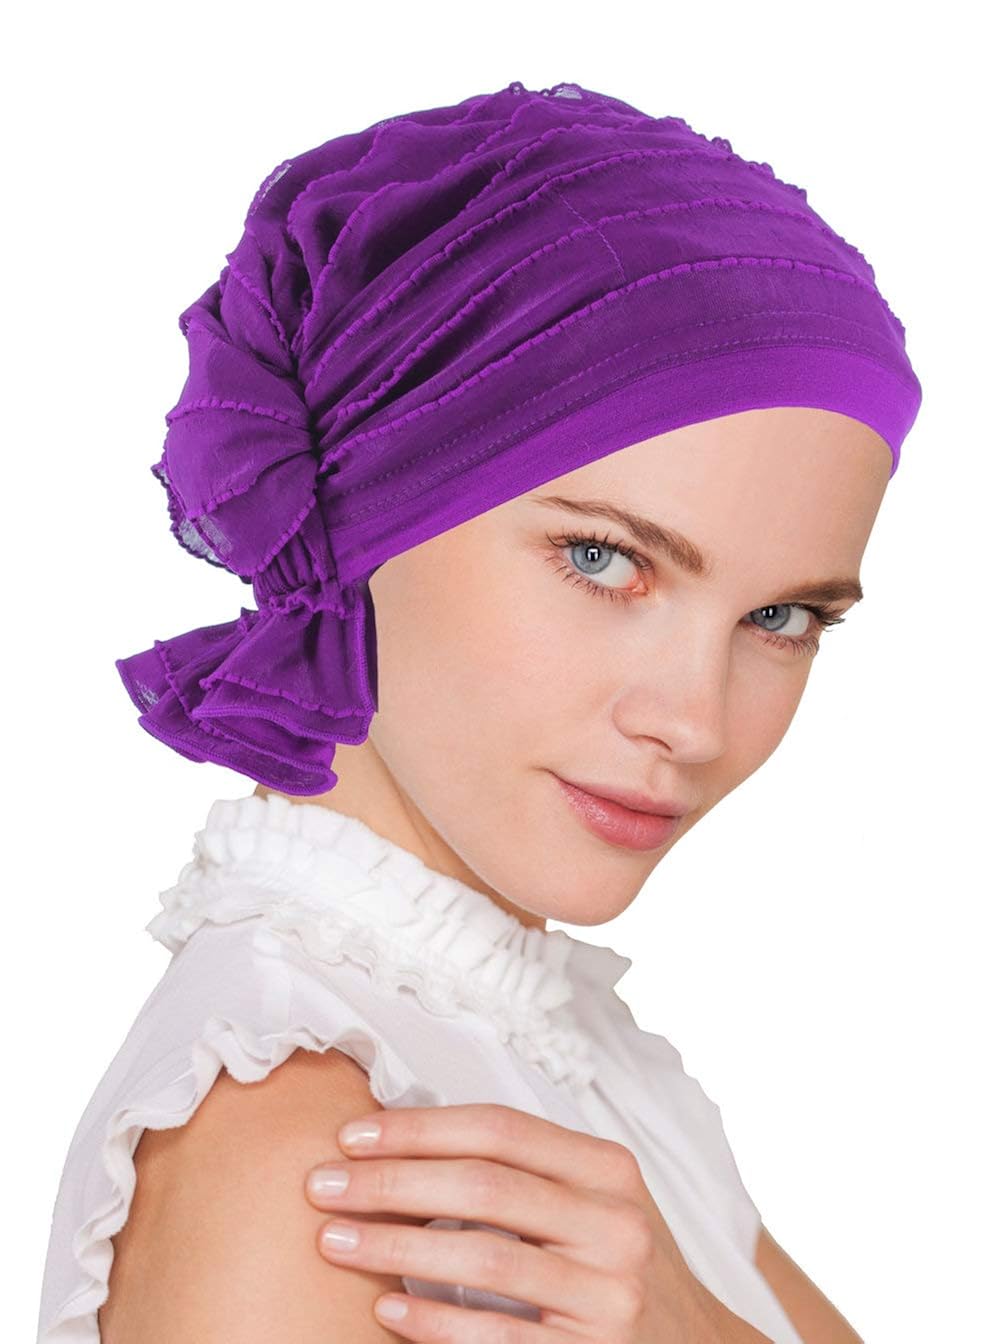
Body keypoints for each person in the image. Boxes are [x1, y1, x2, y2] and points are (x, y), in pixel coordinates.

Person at [36, 81, 922, 1342]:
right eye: (606, 560)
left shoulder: (567, 1049)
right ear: (365, 504)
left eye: (782, 618)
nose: (695, 722)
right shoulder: (311, 1156)